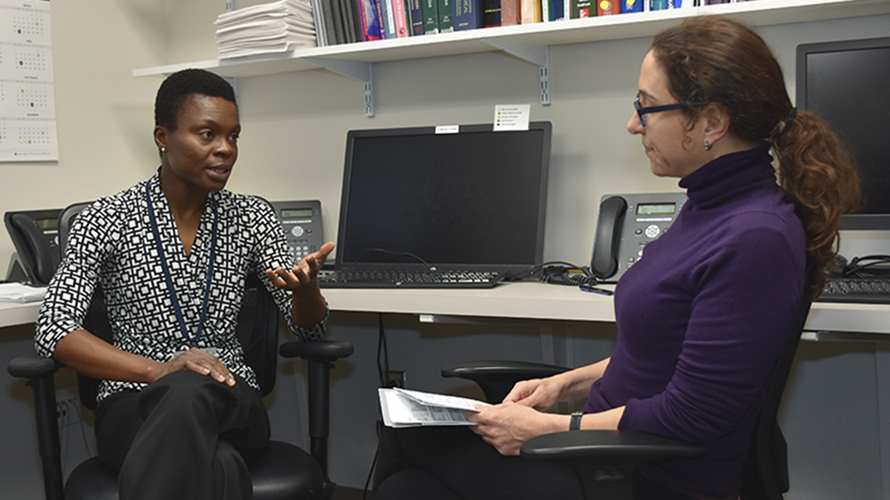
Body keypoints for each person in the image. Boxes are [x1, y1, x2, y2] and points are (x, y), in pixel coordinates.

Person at [372, 15, 860, 500]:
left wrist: (547, 429)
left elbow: (691, 415)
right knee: (409, 481)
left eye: (647, 106)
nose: (633, 124)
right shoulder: (711, 207)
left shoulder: (756, 236)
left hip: (644, 473)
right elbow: (659, 353)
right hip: (606, 449)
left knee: (406, 444)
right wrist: (561, 385)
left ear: (710, 122)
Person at [34, 68, 334, 500]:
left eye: (233, 136)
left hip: (234, 399)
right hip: (132, 404)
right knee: (219, 462)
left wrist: (307, 293)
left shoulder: (253, 217)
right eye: (208, 134)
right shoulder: (105, 219)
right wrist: (160, 371)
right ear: (163, 136)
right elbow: (54, 330)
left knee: (192, 396)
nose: (225, 150)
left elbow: (309, 328)